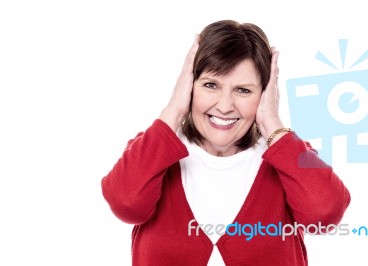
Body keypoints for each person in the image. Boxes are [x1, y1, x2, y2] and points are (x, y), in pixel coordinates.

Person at [101, 20, 351, 266]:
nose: (224, 106)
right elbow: (126, 204)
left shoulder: (288, 157)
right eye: (211, 85)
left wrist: (272, 123)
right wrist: (174, 110)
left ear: (265, 94)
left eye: (243, 90)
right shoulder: (153, 151)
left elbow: (325, 215)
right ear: (189, 87)